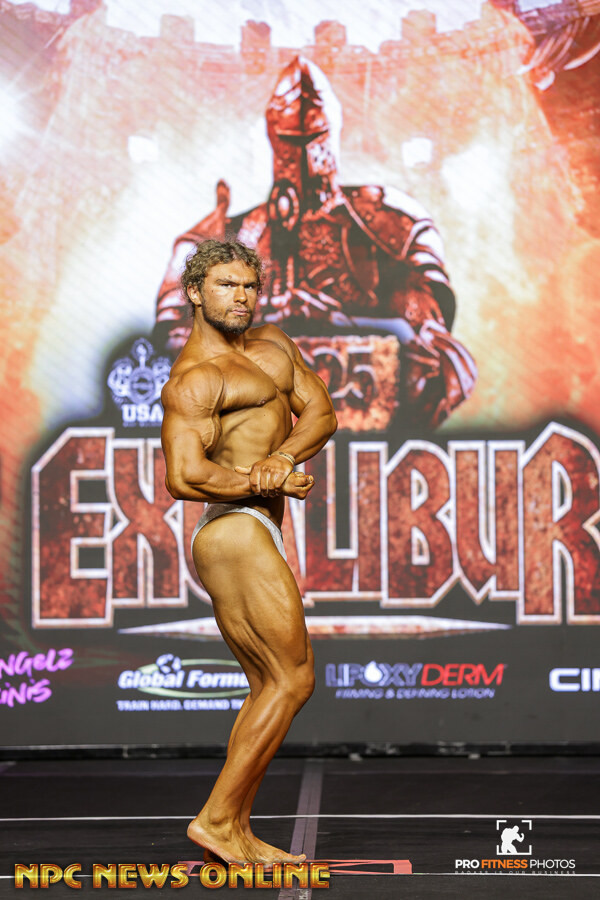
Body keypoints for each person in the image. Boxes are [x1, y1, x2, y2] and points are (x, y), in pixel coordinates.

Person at [154, 56, 476, 430]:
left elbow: (436, 346)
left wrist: (344, 323)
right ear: (273, 138)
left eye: (314, 138)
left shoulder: (390, 224)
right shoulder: (230, 233)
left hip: (363, 423)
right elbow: (170, 343)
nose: (304, 156)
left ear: (332, 133)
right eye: (291, 140)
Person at [160, 238, 337, 864]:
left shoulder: (274, 344)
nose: (241, 297)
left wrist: (281, 458)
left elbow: (322, 414)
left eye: (249, 286)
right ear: (194, 292)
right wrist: (262, 482)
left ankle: (233, 827)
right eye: (226, 285)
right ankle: (215, 819)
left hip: (256, 526)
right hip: (232, 530)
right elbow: (184, 475)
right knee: (293, 678)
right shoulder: (196, 378)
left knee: (269, 683)